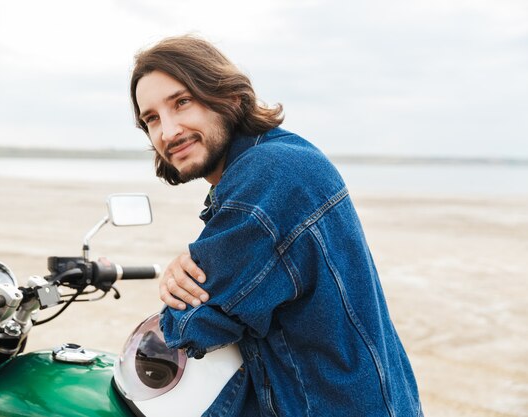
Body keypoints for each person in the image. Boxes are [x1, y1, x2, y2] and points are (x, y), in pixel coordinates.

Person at [130, 35, 423, 417]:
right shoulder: (287, 153)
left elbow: (191, 327)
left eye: (182, 102)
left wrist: (182, 283)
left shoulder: (266, 176)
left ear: (229, 96)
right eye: (151, 119)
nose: (167, 132)